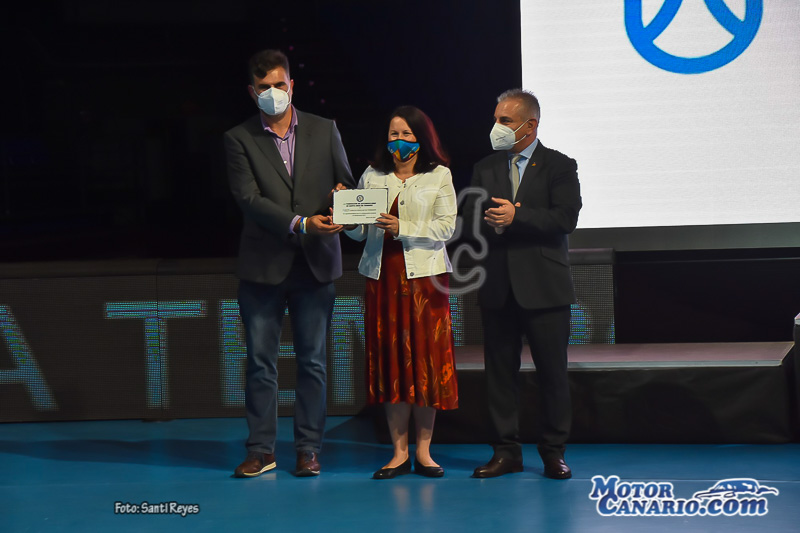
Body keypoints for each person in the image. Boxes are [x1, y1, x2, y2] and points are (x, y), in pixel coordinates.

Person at [224, 49, 355, 478]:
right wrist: (301, 224)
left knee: (313, 362)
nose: (273, 92)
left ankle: (308, 449)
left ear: (292, 85)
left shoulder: (324, 128)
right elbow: (248, 199)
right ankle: (261, 450)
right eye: (264, 87)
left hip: (315, 265)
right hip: (263, 266)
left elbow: (346, 182)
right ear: (252, 92)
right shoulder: (239, 138)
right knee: (260, 364)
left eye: (280, 84)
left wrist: (341, 198)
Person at [467, 89, 581, 479]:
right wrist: (490, 223)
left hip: (545, 286)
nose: (496, 127)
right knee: (499, 375)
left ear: (530, 125)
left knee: (553, 374)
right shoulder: (485, 167)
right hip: (498, 284)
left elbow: (565, 218)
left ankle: (553, 452)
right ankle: (505, 452)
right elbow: (471, 219)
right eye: (496, 119)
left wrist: (518, 216)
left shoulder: (559, 165)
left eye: (505, 121)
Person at [344, 106, 458, 479]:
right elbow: (360, 232)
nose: (400, 141)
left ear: (421, 139)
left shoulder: (439, 175)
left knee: (425, 362)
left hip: (426, 280)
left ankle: (424, 452)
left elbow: (446, 227)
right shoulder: (372, 176)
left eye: (407, 134)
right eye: (394, 134)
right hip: (383, 279)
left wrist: (403, 227)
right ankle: (398, 452)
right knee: (391, 361)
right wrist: (345, 216)